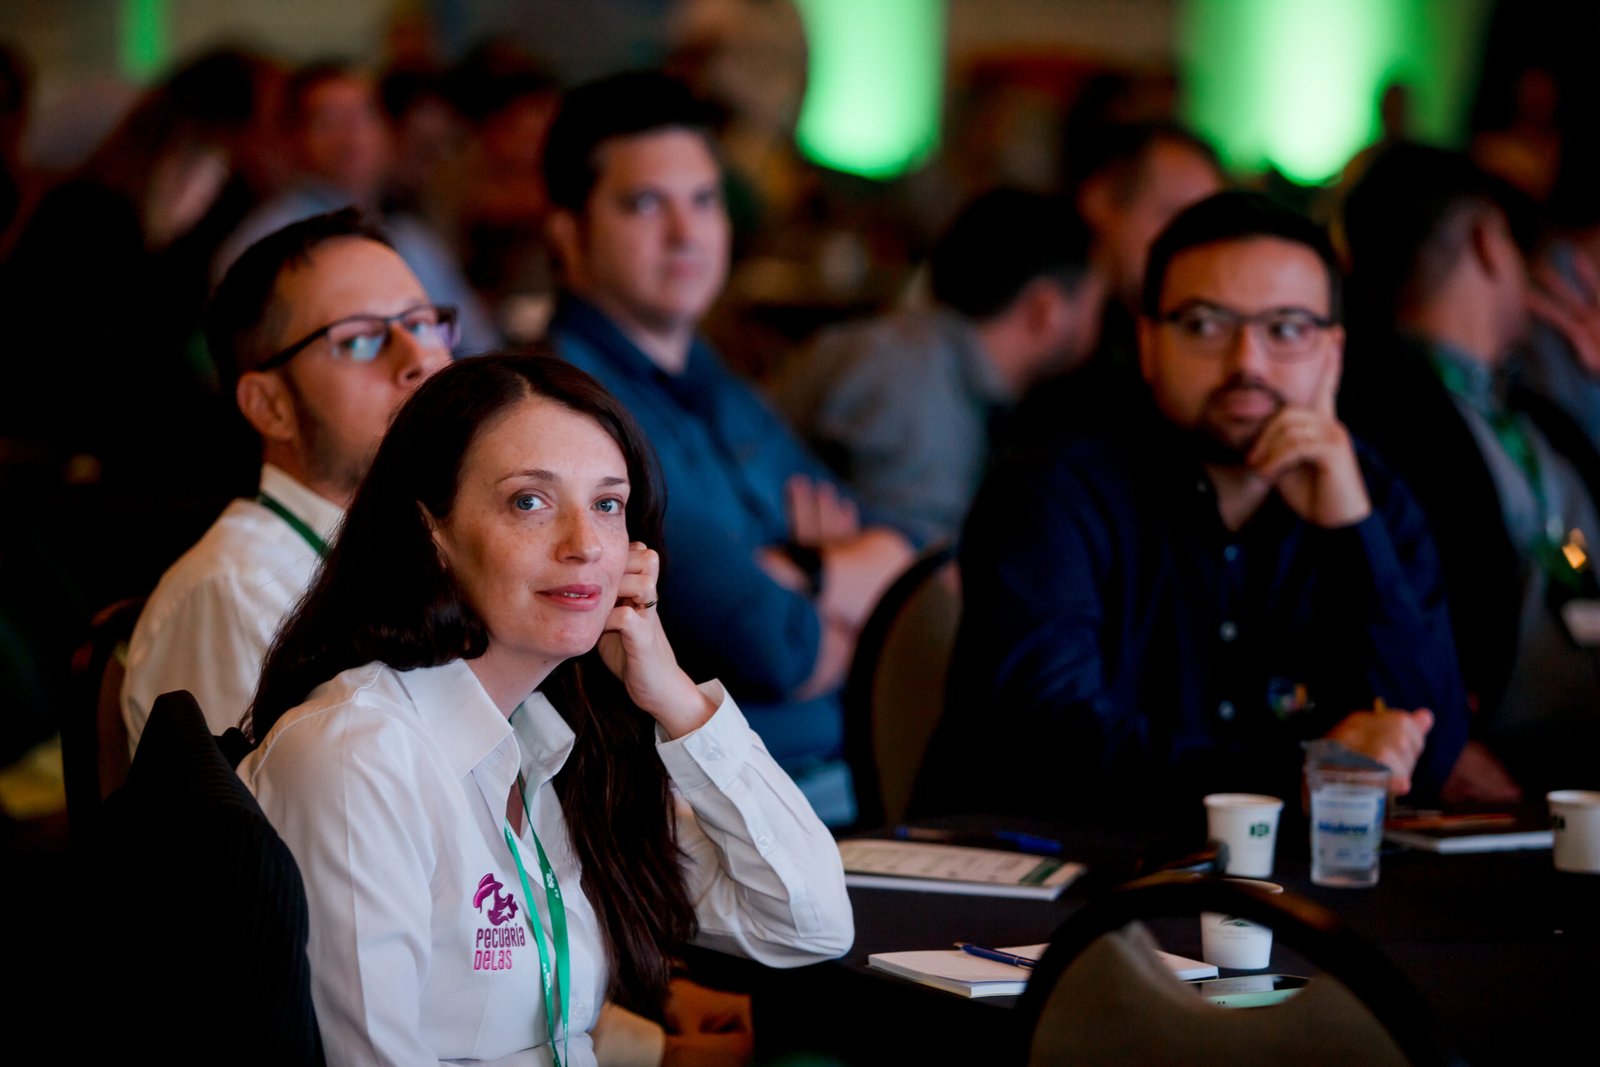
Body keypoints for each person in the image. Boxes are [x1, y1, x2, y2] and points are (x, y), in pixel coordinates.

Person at [237, 352, 854, 1065]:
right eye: (529, 501)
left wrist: (676, 696)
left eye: (607, 505)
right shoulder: (357, 755)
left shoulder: (551, 740)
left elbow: (807, 922)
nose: (584, 545)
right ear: (432, 531)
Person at [911, 190, 1468, 825]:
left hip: (1294, 877)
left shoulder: (1371, 498)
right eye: (1204, 325)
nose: (1247, 362)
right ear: (1149, 343)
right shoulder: (1052, 494)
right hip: (1057, 871)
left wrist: (1350, 533)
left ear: (1332, 354)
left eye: (1286, 329)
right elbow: (1050, 745)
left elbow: (1429, 754)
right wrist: (1294, 777)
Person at [541, 69, 915, 825]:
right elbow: (778, 647)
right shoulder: (574, 409)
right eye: (646, 204)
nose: (687, 233)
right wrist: (832, 590)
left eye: (705, 201)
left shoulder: (718, 382)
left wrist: (800, 569)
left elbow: (901, 558)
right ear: (569, 235)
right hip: (700, 814)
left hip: (830, 783)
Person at [121, 209, 455, 750]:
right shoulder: (232, 594)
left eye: (421, 324)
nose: (420, 359)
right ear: (270, 406)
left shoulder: (439, 545)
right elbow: (267, 808)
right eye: (359, 339)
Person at [1340, 143, 1600, 802]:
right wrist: (1447, 744)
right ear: (1487, 241)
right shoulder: (1374, 414)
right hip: (1485, 776)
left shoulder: (1537, 412)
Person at [769, 187, 1103, 546]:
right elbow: (906, 568)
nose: (1103, 324)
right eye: (1098, 304)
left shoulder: (924, 355)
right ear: (1046, 311)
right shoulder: (917, 389)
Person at [213, 58, 497, 354]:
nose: (352, 134)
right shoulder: (265, 243)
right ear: (292, 139)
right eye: (328, 121)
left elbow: (477, 344)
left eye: (365, 114)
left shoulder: (412, 238)